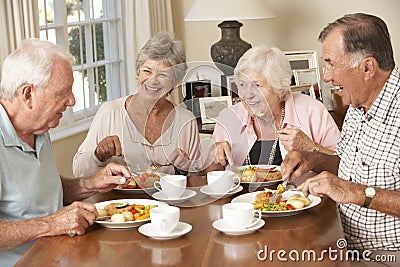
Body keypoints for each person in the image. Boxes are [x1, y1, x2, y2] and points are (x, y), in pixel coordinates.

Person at [0, 39, 131, 266]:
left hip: (60, 255)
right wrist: (52, 224)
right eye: (62, 93)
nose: (72, 101)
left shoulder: (39, 128)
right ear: (28, 95)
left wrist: (89, 184)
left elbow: (42, 190)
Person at [281, 13, 400, 255]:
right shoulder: (357, 103)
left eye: (331, 64)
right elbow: (348, 165)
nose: (326, 76)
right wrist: (313, 159)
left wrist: (355, 192)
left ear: (367, 68)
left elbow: (352, 188)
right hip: (344, 240)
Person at [73, 32, 201, 177]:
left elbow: (196, 181)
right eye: (147, 71)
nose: (153, 81)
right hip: (118, 199)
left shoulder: (186, 121)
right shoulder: (110, 112)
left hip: (168, 200)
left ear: (174, 80)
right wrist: (98, 155)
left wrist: (185, 168)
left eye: (163, 74)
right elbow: (79, 171)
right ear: (138, 72)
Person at [206, 45, 340, 171]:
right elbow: (210, 176)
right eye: (242, 85)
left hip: (300, 195)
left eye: (257, 86)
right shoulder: (229, 117)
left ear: (280, 89)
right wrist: (213, 157)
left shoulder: (312, 111)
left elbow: (344, 165)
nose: (248, 95)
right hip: (240, 196)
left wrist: (312, 148)